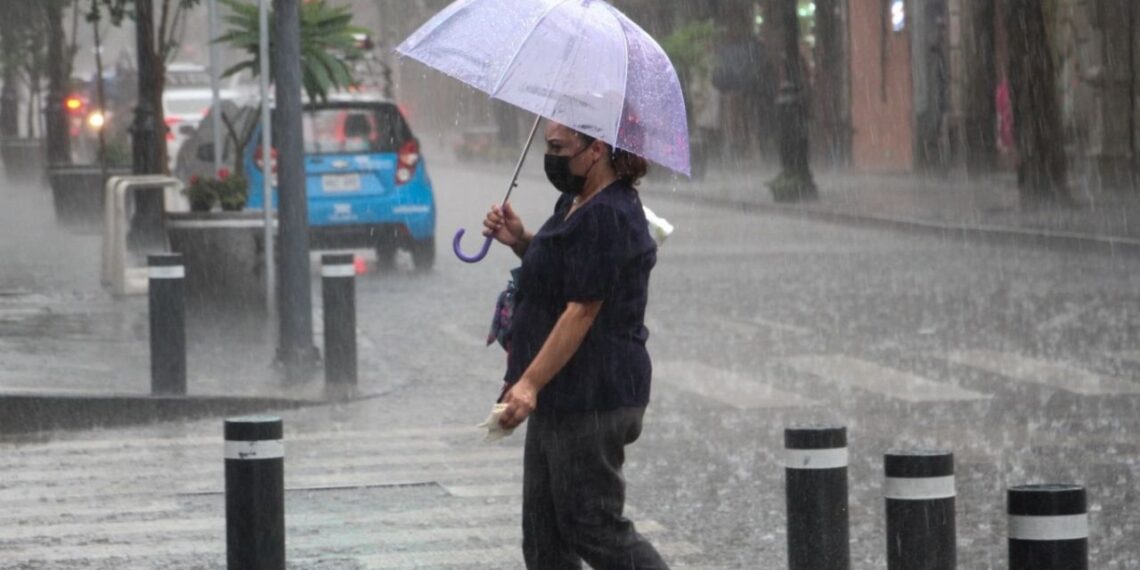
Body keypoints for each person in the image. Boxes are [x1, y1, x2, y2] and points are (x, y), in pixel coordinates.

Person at [481, 120, 669, 569]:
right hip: (560, 393)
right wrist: (522, 240)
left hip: (595, 395)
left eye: (558, 146)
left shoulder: (609, 213)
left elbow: (581, 309)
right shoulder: (575, 200)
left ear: (595, 149)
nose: (552, 156)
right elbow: (563, 269)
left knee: (592, 526)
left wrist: (527, 384)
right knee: (545, 537)